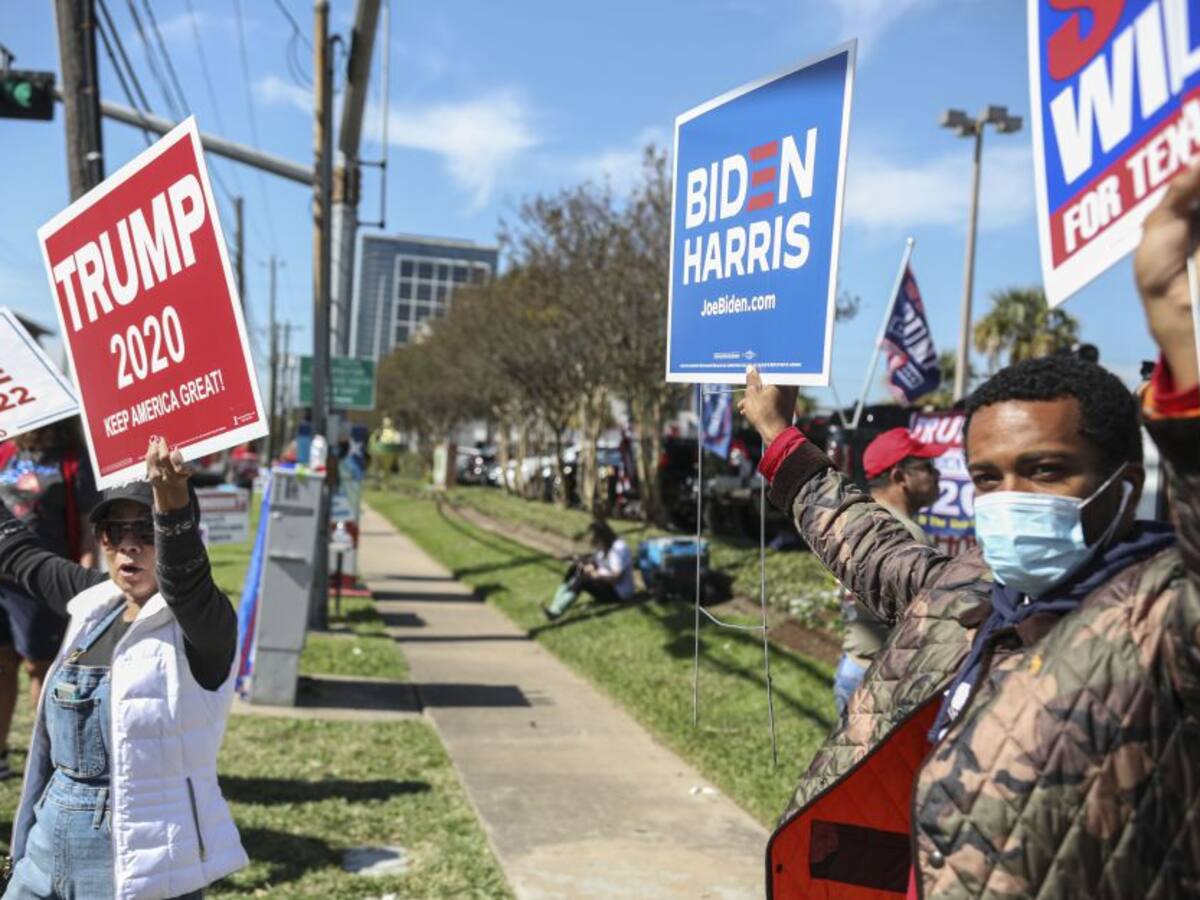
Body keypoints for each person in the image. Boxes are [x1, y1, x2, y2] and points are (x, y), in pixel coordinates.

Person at [738, 165, 1200, 898]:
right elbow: (864, 540)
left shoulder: (1164, 620)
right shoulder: (966, 589)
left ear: (1126, 484)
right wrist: (777, 435)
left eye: (1045, 470)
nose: (1010, 499)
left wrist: (1186, 352)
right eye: (988, 477)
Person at [0, 438, 247, 899]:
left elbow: (187, 580)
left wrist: (171, 507)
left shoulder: (201, 624)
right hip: (44, 850)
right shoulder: (96, 600)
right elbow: (20, 556)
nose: (129, 546)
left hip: (138, 867)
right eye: (114, 532)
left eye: (146, 530)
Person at [0, 420, 100, 780]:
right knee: (2, 664)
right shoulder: (7, 452)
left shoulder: (74, 460)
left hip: (45, 584)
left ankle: (44, 761)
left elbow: (90, 531)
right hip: (2, 584)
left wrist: (83, 592)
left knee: (40, 668)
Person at [832, 428, 946, 719]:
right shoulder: (905, 535)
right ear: (900, 477)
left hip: (854, 665)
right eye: (928, 467)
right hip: (882, 680)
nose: (937, 475)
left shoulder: (859, 517)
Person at [543, 520, 634, 620]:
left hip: (619, 593)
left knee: (583, 579)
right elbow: (597, 561)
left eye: (595, 539)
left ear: (602, 537)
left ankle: (556, 612)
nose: (593, 543)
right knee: (574, 568)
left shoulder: (619, 549)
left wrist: (596, 574)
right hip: (606, 584)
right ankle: (556, 603)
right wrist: (579, 561)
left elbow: (617, 578)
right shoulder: (605, 545)